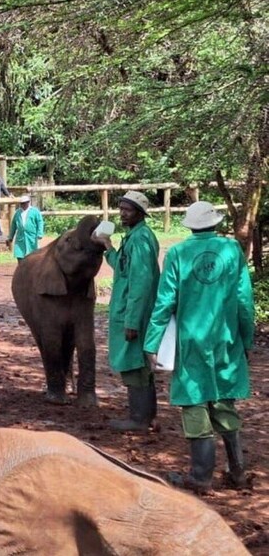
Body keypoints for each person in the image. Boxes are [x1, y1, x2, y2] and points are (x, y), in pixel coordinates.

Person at [144, 201, 254, 492]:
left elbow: (165, 301)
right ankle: (237, 471)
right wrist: (247, 338)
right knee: (223, 398)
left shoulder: (179, 253)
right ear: (215, 223)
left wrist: (151, 342)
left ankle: (201, 476)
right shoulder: (232, 250)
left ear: (190, 225)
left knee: (194, 401)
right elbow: (244, 300)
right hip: (226, 339)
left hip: (192, 340)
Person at [94, 191, 160, 432]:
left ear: (140, 214)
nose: (122, 213)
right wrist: (108, 247)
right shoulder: (133, 237)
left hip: (135, 313)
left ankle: (139, 418)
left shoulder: (141, 240)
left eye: (128, 210)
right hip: (131, 310)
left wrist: (132, 321)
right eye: (121, 208)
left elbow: (141, 283)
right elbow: (123, 269)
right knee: (140, 363)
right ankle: (149, 416)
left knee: (135, 364)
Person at [8, 194, 44, 259]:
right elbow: (13, 225)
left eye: (25, 203)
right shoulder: (18, 213)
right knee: (20, 255)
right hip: (21, 238)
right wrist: (11, 236)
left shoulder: (35, 211)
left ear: (28, 202)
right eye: (22, 203)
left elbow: (40, 222)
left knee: (32, 255)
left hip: (31, 237)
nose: (23, 205)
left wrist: (40, 233)